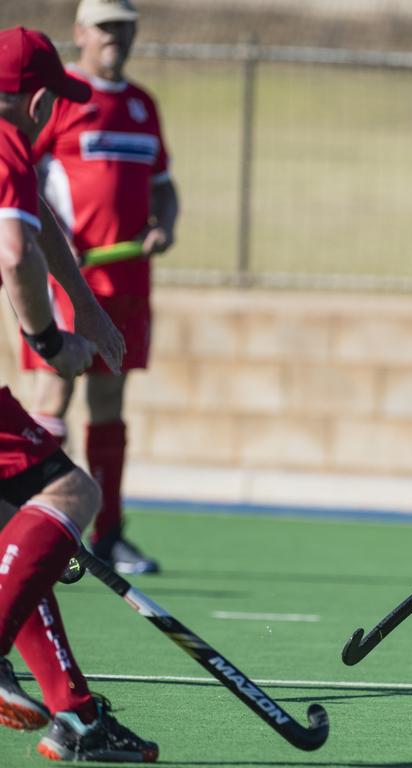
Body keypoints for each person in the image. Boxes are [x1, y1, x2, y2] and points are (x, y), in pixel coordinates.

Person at [0, 25, 157, 761]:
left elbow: (41, 221)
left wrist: (85, 305)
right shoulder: (4, 144)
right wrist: (49, 339)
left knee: (18, 533)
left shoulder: (15, 156)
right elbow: (14, 248)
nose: (51, 116)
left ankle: (79, 716)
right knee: (70, 496)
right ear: (33, 100)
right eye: (49, 103)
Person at [22, 0, 178, 575]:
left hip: (128, 281)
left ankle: (108, 533)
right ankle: (40, 527)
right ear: (81, 33)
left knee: (110, 404)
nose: (117, 37)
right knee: (53, 397)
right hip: (67, 281)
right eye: (106, 28)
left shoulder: (142, 105)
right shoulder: (59, 102)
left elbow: (165, 187)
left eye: (126, 28)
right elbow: (23, 185)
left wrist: (165, 223)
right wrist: (51, 244)